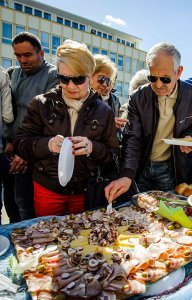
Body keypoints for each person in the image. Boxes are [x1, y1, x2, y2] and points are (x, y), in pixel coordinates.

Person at [14, 40, 119, 217]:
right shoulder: (40, 103)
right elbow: (21, 144)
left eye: (78, 79)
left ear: (89, 76)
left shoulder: (104, 111)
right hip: (47, 189)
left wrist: (92, 147)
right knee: (48, 239)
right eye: (64, 78)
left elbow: (113, 155)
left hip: (85, 191)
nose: (70, 86)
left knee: (83, 240)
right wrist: (48, 144)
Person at [105, 42, 192, 201]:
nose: (158, 85)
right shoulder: (138, 97)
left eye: (165, 79)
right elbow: (132, 138)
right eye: (153, 77)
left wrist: (189, 137)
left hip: (170, 167)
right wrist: (127, 174)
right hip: (141, 165)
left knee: (169, 210)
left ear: (178, 72)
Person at [6, 32, 59, 220]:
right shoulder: (13, 74)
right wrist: (8, 140)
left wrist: (26, 152)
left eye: (27, 55)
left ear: (41, 53)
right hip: (12, 150)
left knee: (27, 207)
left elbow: (50, 121)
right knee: (11, 202)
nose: (22, 60)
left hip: (35, 156)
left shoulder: (54, 76)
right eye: (18, 56)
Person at [0, 66, 20, 224]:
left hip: (7, 146)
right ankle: (14, 220)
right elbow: (8, 117)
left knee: (9, 187)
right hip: (8, 146)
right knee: (11, 185)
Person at [91, 54, 128, 130]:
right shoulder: (77, 96)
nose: (105, 84)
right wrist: (109, 123)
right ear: (90, 74)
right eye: (101, 79)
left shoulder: (110, 101)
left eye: (108, 81)